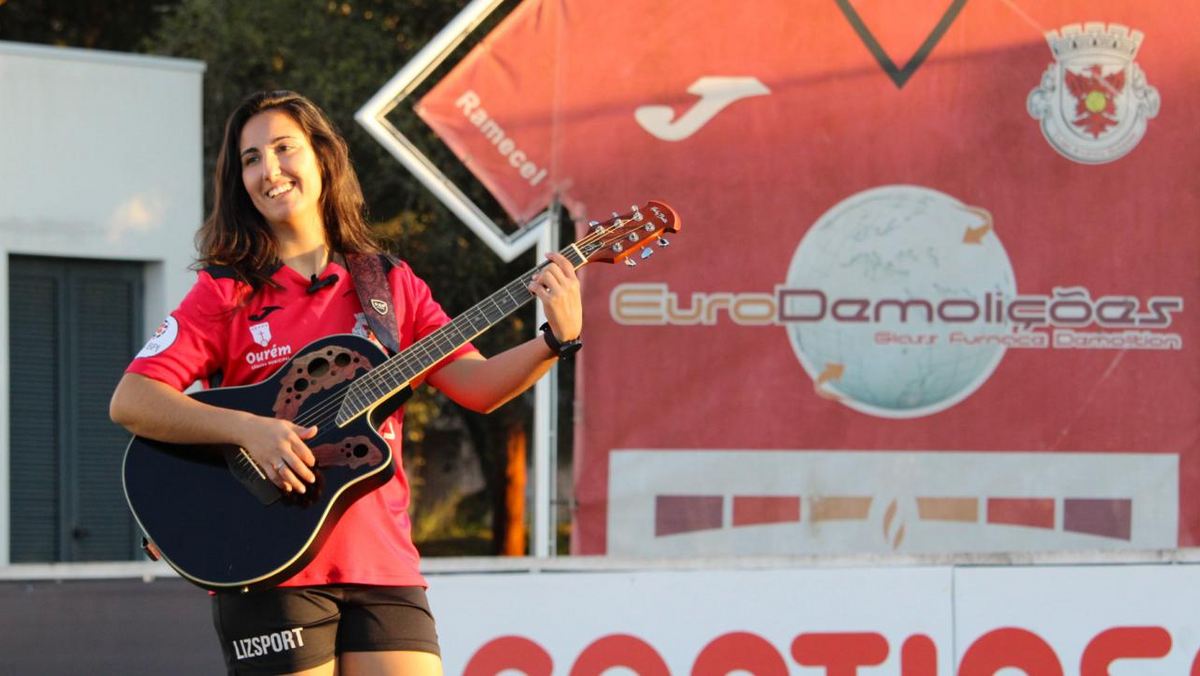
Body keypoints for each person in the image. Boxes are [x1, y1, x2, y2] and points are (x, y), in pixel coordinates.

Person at [109, 90, 582, 676]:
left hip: (384, 564)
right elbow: (133, 400)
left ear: (322, 157)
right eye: (251, 158)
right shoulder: (225, 290)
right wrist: (250, 430)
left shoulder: (390, 283)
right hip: (268, 561)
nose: (269, 170)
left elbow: (478, 386)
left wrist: (554, 342)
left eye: (284, 148)